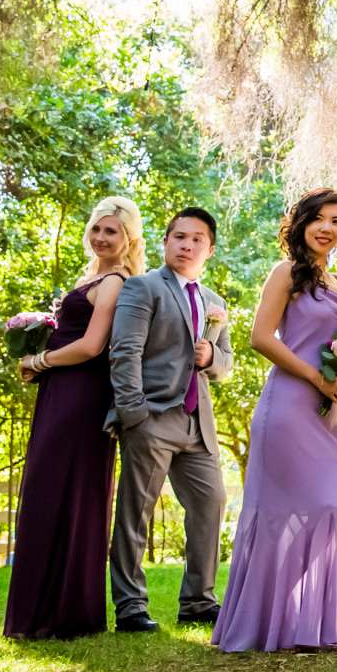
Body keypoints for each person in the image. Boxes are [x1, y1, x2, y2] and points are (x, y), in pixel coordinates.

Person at [214, 189, 337, 653]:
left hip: (326, 412)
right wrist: (316, 377)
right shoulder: (285, 274)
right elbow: (260, 336)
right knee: (281, 513)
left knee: (325, 507)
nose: (326, 228)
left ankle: (303, 624)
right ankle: (262, 624)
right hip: (289, 405)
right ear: (299, 224)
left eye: (335, 220)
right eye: (317, 218)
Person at [4, 197, 140, 640]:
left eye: (112, 232)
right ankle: (38, 610)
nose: (102, 238)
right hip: (59, 390)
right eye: (97, 229)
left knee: (69, 491)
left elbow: (92, 345)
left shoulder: (117, 281)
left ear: (128, 238)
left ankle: (65, 614)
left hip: (81, 393)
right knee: (46, 490)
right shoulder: (90, 276)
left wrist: (40, 360)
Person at [105, 206, 235, 633]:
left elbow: (227, 363)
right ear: (166, 242)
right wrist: (134, 414)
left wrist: (211, 356)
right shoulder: (143, 289)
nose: (187, 244)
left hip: (198, 422)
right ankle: (130, 608)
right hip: (153, 417)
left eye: (197, 239)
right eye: (179, 237)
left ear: (209, 249)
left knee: (210, 502)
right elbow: (125, 352)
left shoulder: (215, 303)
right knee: (135, 512)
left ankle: (198, 602)